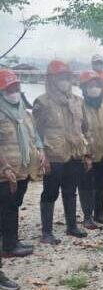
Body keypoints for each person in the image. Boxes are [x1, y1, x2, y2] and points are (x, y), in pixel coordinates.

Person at [33, 60, 91, 244]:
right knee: (50, 193)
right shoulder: (42, 102)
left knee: (70, 190)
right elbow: (35, 133)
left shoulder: (77, 102)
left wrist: (87, 154)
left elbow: (85, 129)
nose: (64, 81)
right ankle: (47, 233)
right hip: (53, 155)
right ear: (51, 80)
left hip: (74, 153)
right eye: (60, 78)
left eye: (66, 77)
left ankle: (72, 226)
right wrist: (42, 156)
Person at [0, 69, 44, 258]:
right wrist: (4, 167)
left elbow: (34, 135)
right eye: (10, 88)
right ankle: (9, 247)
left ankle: (11, 239)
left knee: (14, 204)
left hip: (23, 168)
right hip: (6, 170)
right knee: (7, 206)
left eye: (17, 87)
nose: (14, 91)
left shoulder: (23, 112)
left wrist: (41, 150)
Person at [78, 71, 103, 229]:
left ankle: (99, 214)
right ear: (84, 88)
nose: (94, 88)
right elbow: (78, 132)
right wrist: (85, 154)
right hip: (88, 154)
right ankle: (87, 217)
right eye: (90, 86)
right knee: (86, 186)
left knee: (102, 185)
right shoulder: (79, 106)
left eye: (96, 85)